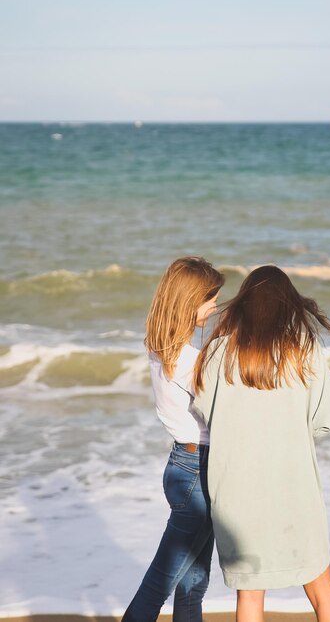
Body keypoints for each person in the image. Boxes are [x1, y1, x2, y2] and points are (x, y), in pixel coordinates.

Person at [193, 265, 330, 622]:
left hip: (238, 493)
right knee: (322, 588)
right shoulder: (305, 350)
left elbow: (204, 411)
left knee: (250, 595)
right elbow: (325, 420)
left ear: (243, 304)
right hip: (294, 489)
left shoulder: (217, 352)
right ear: (288, 306)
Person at [122, 256, 224, 622]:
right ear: (190, 300)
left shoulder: (161, 348)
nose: (214, 307)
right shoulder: (189, 359)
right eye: (210, 298)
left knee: (192, 585)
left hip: (187, 466)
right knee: (158, 588)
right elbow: (220, 411)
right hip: (197, 471)